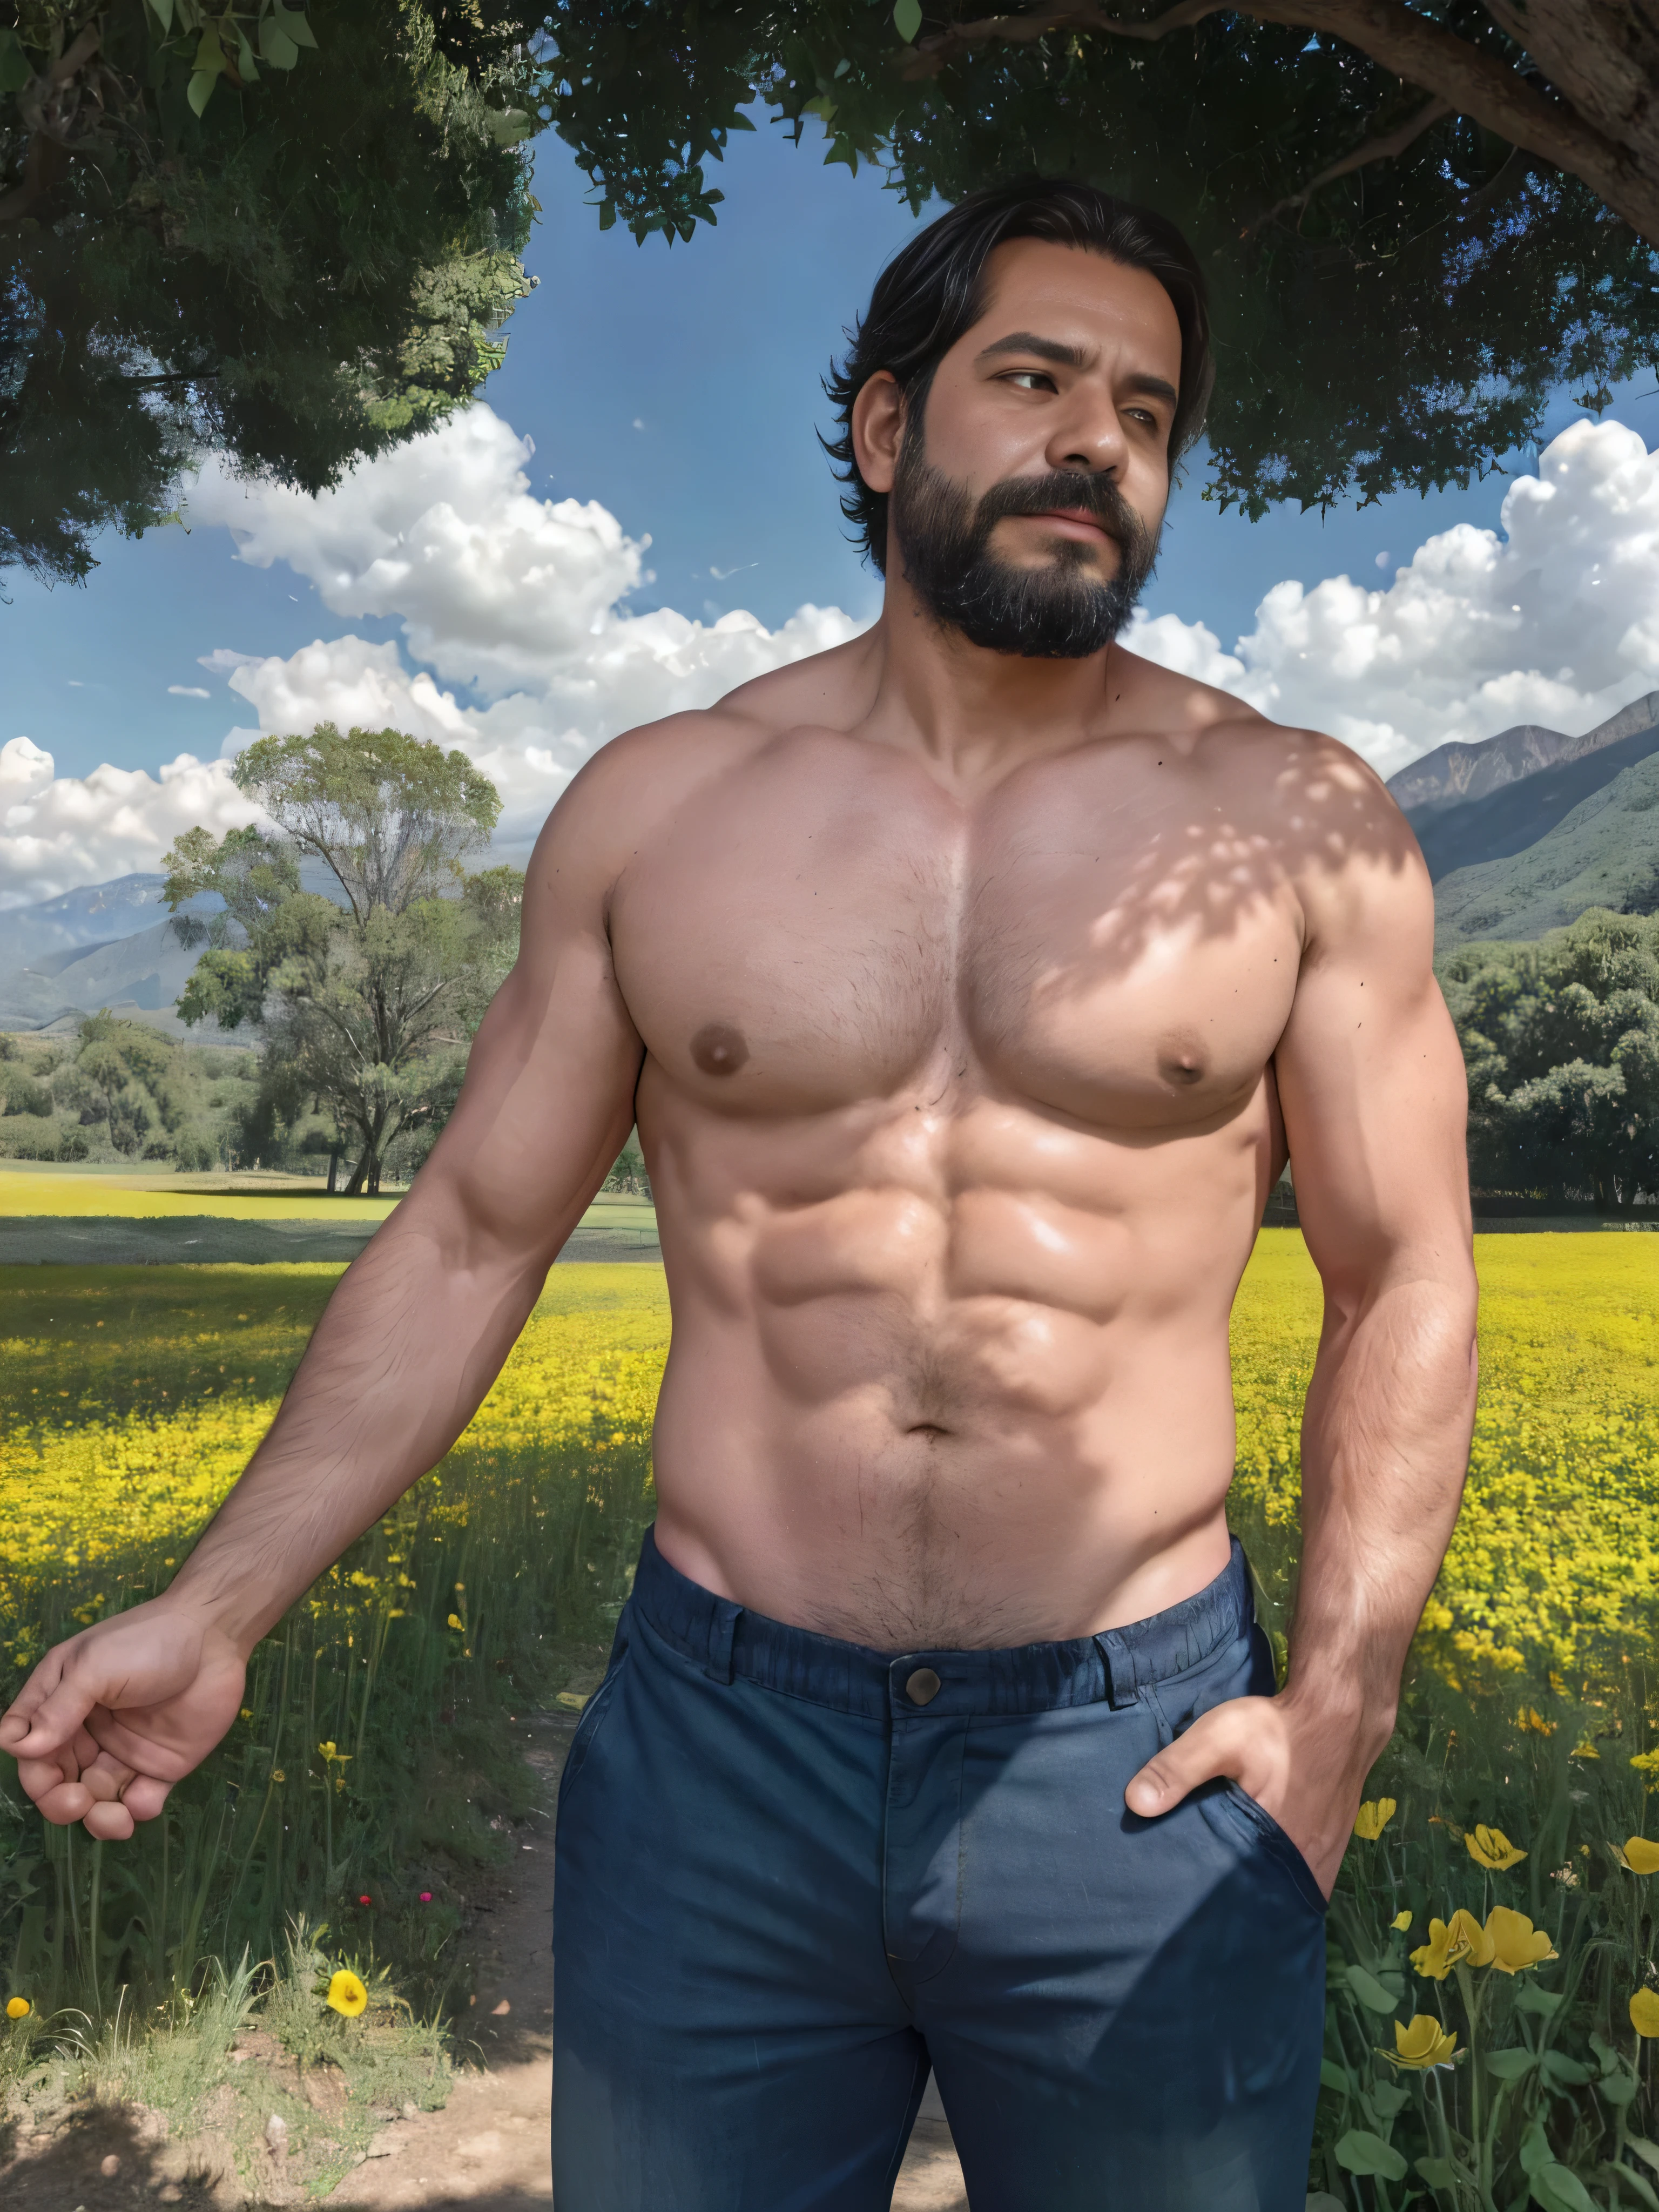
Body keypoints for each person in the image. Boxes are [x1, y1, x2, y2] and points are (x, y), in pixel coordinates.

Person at [1, 178, 1478, 2208]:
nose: (1097, 444)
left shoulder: (1303, 826)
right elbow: (469, 1234)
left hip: (1132, 1755)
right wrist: (218, 1602)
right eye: (1034, 379)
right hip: (720, 1748)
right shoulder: (661, 810)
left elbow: (1407, 1275)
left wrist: (1338, 1717)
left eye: (1146, 412)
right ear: (887, 432)